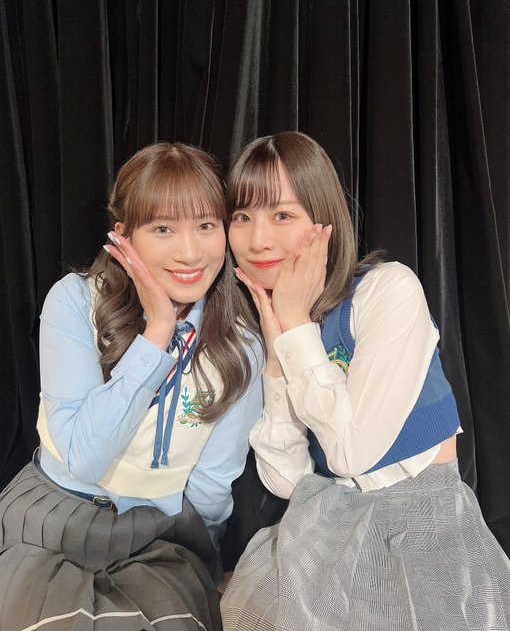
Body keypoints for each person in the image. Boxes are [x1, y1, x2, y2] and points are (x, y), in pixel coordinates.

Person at [220, 131, 510, 631]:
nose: (257, 239)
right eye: (242, 217)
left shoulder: (387, 290)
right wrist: (278, 351)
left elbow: (352, 455)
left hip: (425, 534)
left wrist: (295, 327)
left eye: (282, 215)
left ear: (323, 222)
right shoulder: (272, 326)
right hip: (332, 527)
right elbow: (287, 480)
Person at [0, 142, 263, 631]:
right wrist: (157, 332)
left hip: (158, 538)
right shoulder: (75, 301)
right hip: (53, 521)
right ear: (123, 236)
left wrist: (201, 570)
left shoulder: (240, 346)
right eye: (163, 228)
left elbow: (211, 488)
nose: (190, 252)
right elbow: (83, 459)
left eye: (206, 225)